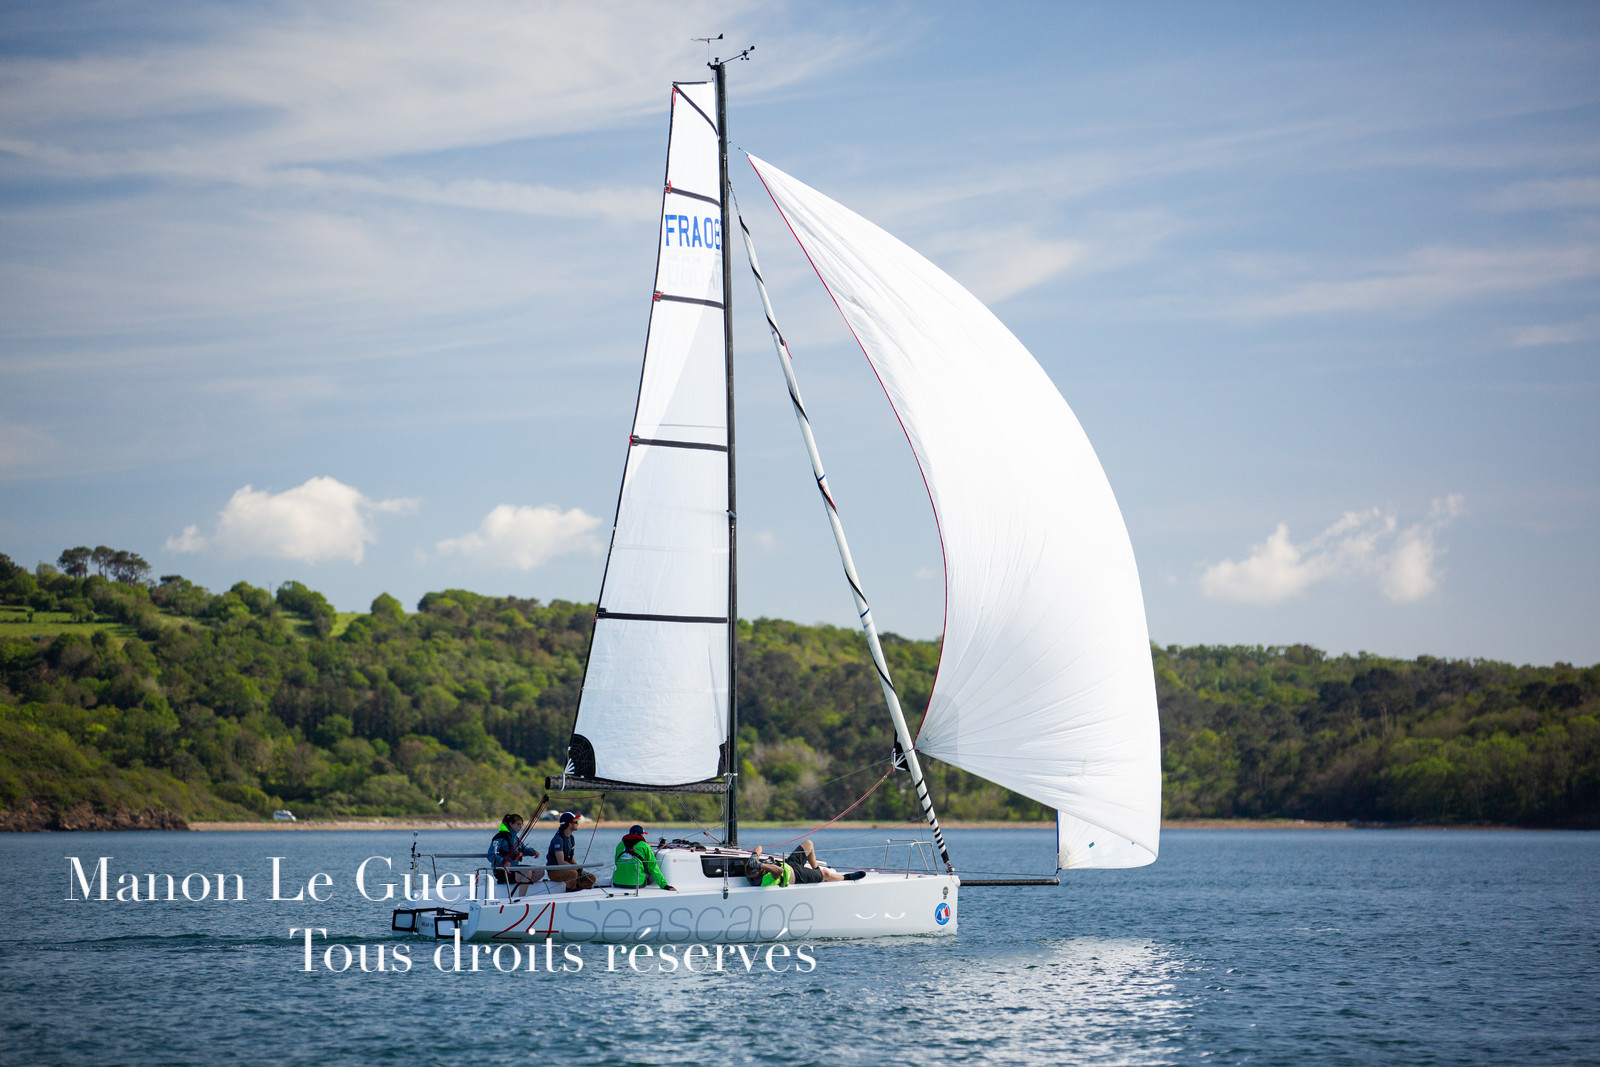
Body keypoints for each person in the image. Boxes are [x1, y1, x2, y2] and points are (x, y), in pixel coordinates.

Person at [487, 813, 542, 897]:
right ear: (511, 824)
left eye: (521, 825)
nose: (520, 827)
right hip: (501, 871)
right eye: (518, 824)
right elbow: (491, 855)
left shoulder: (515, 838)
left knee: (540, 871)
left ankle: (522, 884)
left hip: (514, 868)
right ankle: (521, 898)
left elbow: (522, 849)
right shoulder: (500, 837)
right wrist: (503, 861)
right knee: (527, 872)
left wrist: (532, 852)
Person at [613, 824, 675, 891]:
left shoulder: (620, 845)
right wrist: (664, 885)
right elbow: (653, 868)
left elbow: (616, 862)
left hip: (617, 882)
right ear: (641, 835)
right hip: (636, 884)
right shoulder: (645, 846)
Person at [546, 812, 596, 892]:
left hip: (567, 868)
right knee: (573, 874)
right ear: (570, 824)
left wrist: (578, 867)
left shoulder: (571, 838)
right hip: (554, 871)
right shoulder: (558, 840)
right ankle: (570, 892)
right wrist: (575, 868)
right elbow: (561, 862)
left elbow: (570, 857)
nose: (578, 823)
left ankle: (577, 889)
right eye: (576, 822)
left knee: (591, 877)